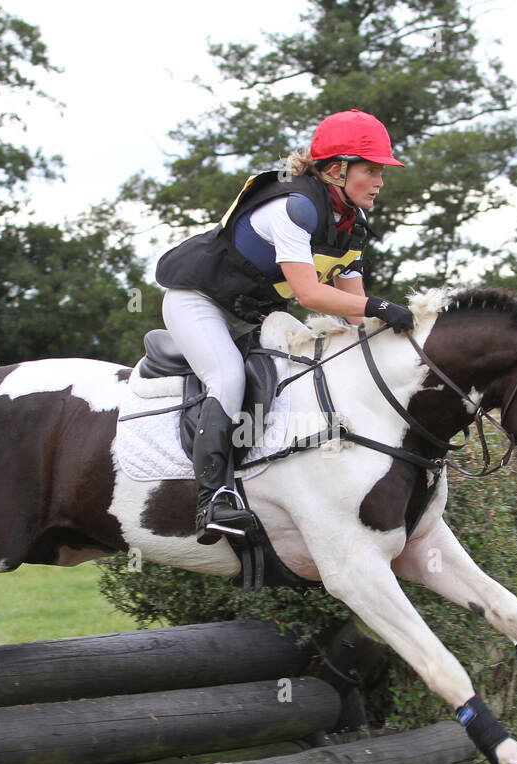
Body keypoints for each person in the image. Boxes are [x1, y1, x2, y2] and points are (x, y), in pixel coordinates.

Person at [155, 109, 416, 545]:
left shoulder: (351, 226)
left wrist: (407, 335)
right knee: (228, 376)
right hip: (197, 300)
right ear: (337, 170)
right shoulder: (295, 206)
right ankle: (213, 498)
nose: (379, 182)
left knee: (302, 370)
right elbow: (310, 294)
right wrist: (381, 306)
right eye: (371, 170)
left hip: (250, 312)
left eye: (380, 172)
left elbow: (354, 311)